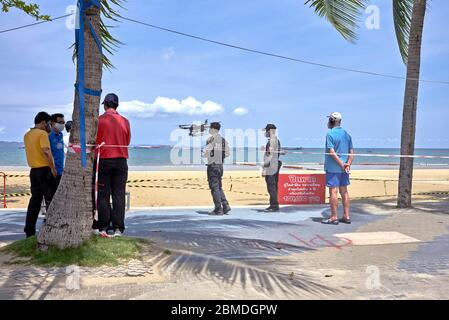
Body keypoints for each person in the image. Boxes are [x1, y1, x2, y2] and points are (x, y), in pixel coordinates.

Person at [94, 93, 131, 237]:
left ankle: (104, 226)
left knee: (103, 195)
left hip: (104, 160)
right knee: (119, 194)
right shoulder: (125, 121)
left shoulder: (100, 120)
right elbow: (126, 141)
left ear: (105, 105)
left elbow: (96, 141)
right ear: (117, 105)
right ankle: (118, 228)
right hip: (121, 160)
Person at [23, 112, 57, 238]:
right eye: (48, 123)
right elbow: (47, 152)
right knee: (50, 200)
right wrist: (53, 169)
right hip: (44, 170)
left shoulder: (27, 135)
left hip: (33, 171)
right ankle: (51, 228)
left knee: (35, 201)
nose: (49, 126)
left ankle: (29, 230)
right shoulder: (42, 134)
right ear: (43, 122)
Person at [322, 112, 354, 225]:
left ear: (331, 121)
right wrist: (347, 165)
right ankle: (346, 216)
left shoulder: (330, 133)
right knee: (344, 191)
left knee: (333, 191)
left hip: (333, 168)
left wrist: (342, 164)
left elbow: (332, 152)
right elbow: (352, 152)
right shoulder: (347, 134)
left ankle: (334, 217)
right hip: (344, 168)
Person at [203, 122, 231, 215]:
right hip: (220, 166)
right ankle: (225, 206)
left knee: (214, 188)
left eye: (210, 128)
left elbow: (207, 153)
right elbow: (227, 153)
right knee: (219, 187)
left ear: (213, 129)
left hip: (213, 166)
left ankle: (218, 209)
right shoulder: (223, 140)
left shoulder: (211, 140)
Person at [262, 124, 282, 212]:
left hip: (271, 165)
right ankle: (273, 204)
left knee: (271, 186)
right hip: (275, 164)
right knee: (273, 186)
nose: (265, 133)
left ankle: (274, 206)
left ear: (269, 131)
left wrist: (265, 168)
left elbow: (269, 156)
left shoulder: (272, 141)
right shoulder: (275, 140)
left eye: (266, 131)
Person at [48, 113, 65, 189]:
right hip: (53, 171)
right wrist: (52, 169)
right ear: (53, 123)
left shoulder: (60, 135)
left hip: (61, 170)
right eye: (60, 122)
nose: (62, 124)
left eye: (63, 122)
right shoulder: (48, 136)